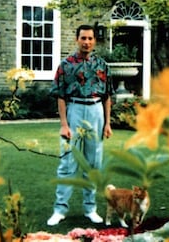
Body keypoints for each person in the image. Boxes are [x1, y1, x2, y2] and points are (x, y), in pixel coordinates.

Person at [47, 24, 114, 226]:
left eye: (90, 38)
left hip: (96, 112)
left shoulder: (102, 65)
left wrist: (107, 123)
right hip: (74, 110)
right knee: (67, 162)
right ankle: (60, 209)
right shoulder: (66, 65)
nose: (87, 42)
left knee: (93, 164)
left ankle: (90, 208)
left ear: (94, 41)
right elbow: (60, 95)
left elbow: (107, 96)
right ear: (77, 39)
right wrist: (64, 124)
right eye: (83, 38)